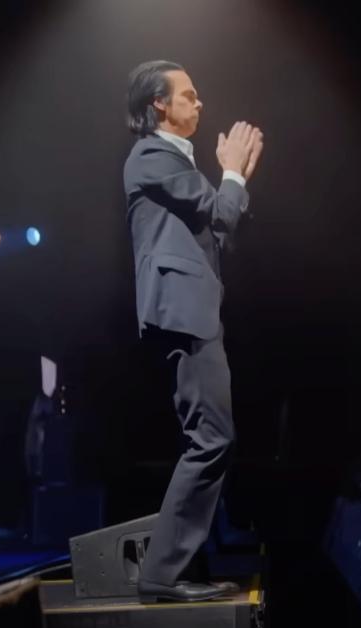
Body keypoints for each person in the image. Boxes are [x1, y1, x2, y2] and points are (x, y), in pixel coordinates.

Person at [123, 60, 264, 602]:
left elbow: (221, 230)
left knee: (208, 438)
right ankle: (164, 572)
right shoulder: (151, 155)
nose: (200, 103)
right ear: (160, 104)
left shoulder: (174, 161)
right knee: (212, 439)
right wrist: (231, 172)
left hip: (192, 307)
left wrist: (233, 180)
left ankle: (181, 564)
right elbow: (221, 214)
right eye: (189, 94)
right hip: (181, 309)